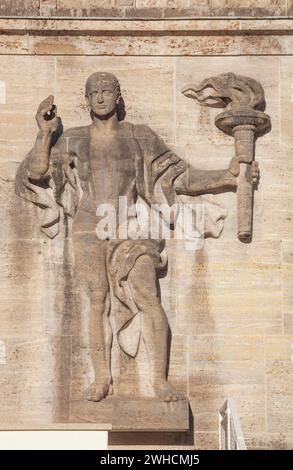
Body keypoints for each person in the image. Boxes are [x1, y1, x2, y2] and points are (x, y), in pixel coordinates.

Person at [16, 72, 259, 402]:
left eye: (107, 91)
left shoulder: (139, 137)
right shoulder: (72, 139)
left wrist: (227, 176)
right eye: (94, 92)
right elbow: (36, 171)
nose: (100, 97)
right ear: (86, 100)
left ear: (118, 97)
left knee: (148, 296)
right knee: (97, 302)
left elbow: (178, 176)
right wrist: (45, 135)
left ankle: (158, 380)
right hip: (89, 227)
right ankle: (102, 377)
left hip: (129, 225)